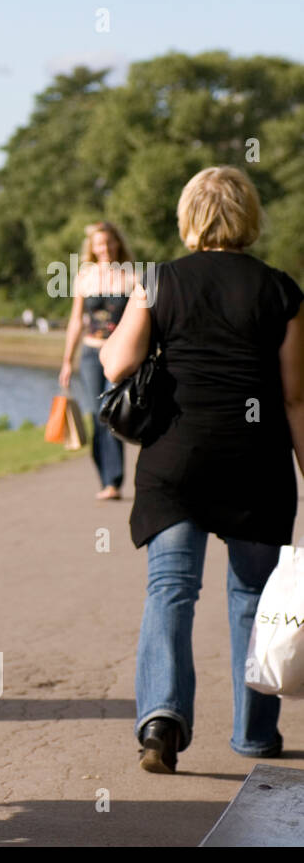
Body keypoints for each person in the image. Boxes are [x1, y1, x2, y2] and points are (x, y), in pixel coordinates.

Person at [101, 165, 304, 773]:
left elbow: (116, 365)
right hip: (256, 461)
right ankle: (254, 735)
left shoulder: (159, 282)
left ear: (190, 218)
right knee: (251, 598)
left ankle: (161, 721)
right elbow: (296, 396)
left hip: (176, 457)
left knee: (171, 590)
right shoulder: (280, 290)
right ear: (249, 218)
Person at [60, 221, 137, 500]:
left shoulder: (132, 276)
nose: (105, 248)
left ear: (117, 243)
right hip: (91, 353)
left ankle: (114, 482)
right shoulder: (85, 277)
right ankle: (105, 478)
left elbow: (143, 319)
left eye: (109, 242)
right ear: (92, 248)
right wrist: (67, 360)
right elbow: (76, 321)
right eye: (99, 244)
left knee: (112, 412)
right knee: (96, 415)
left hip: (119, 354)